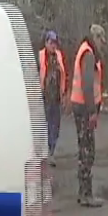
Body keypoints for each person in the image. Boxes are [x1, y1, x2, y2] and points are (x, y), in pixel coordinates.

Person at [69, 24, 107, 207]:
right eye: (102, 38)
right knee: (87, 151)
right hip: (84, 109)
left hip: (81, 107)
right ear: (96, 37)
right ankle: (86, 194)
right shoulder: (89, 54)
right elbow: (87, 84)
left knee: (84, 148)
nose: (103, 42)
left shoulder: (86, 51)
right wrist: (92, 112)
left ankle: (83, 192)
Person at [38, 30, 67, 166]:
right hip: (43, 96)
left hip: (56, 97)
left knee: (55, 126)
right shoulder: (40, 56)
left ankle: (52, 151)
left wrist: (63, 93)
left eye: (55, 43)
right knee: (44, 125)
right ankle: (45, 153)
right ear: (46, 43)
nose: (53, 45)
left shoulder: (59, 56)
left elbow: (63, 75)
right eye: (51, 43)